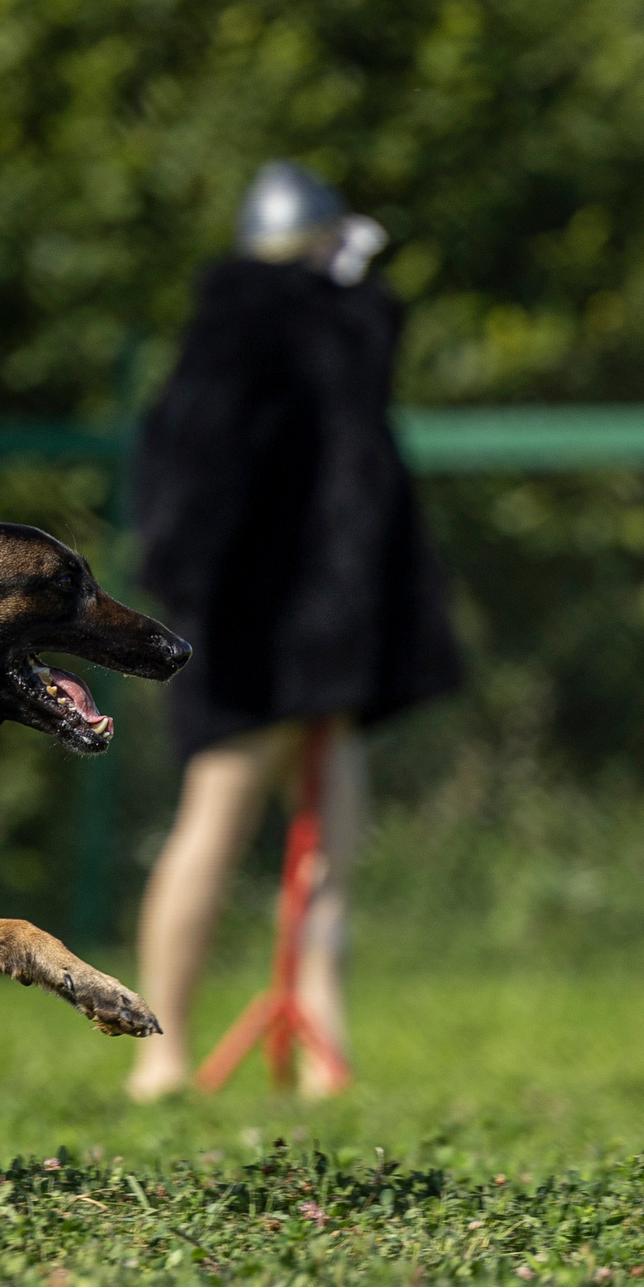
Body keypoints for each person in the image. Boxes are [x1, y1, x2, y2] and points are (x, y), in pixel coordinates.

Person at [123, 160, 462, 1101]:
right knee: (215, 818)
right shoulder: (244, 329)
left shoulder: (330, 332)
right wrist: (195, 603)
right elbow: (192, 484)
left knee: (335, 842)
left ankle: (323, 1048)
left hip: (329, 638)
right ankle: (160, 1051)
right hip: (252, 637)